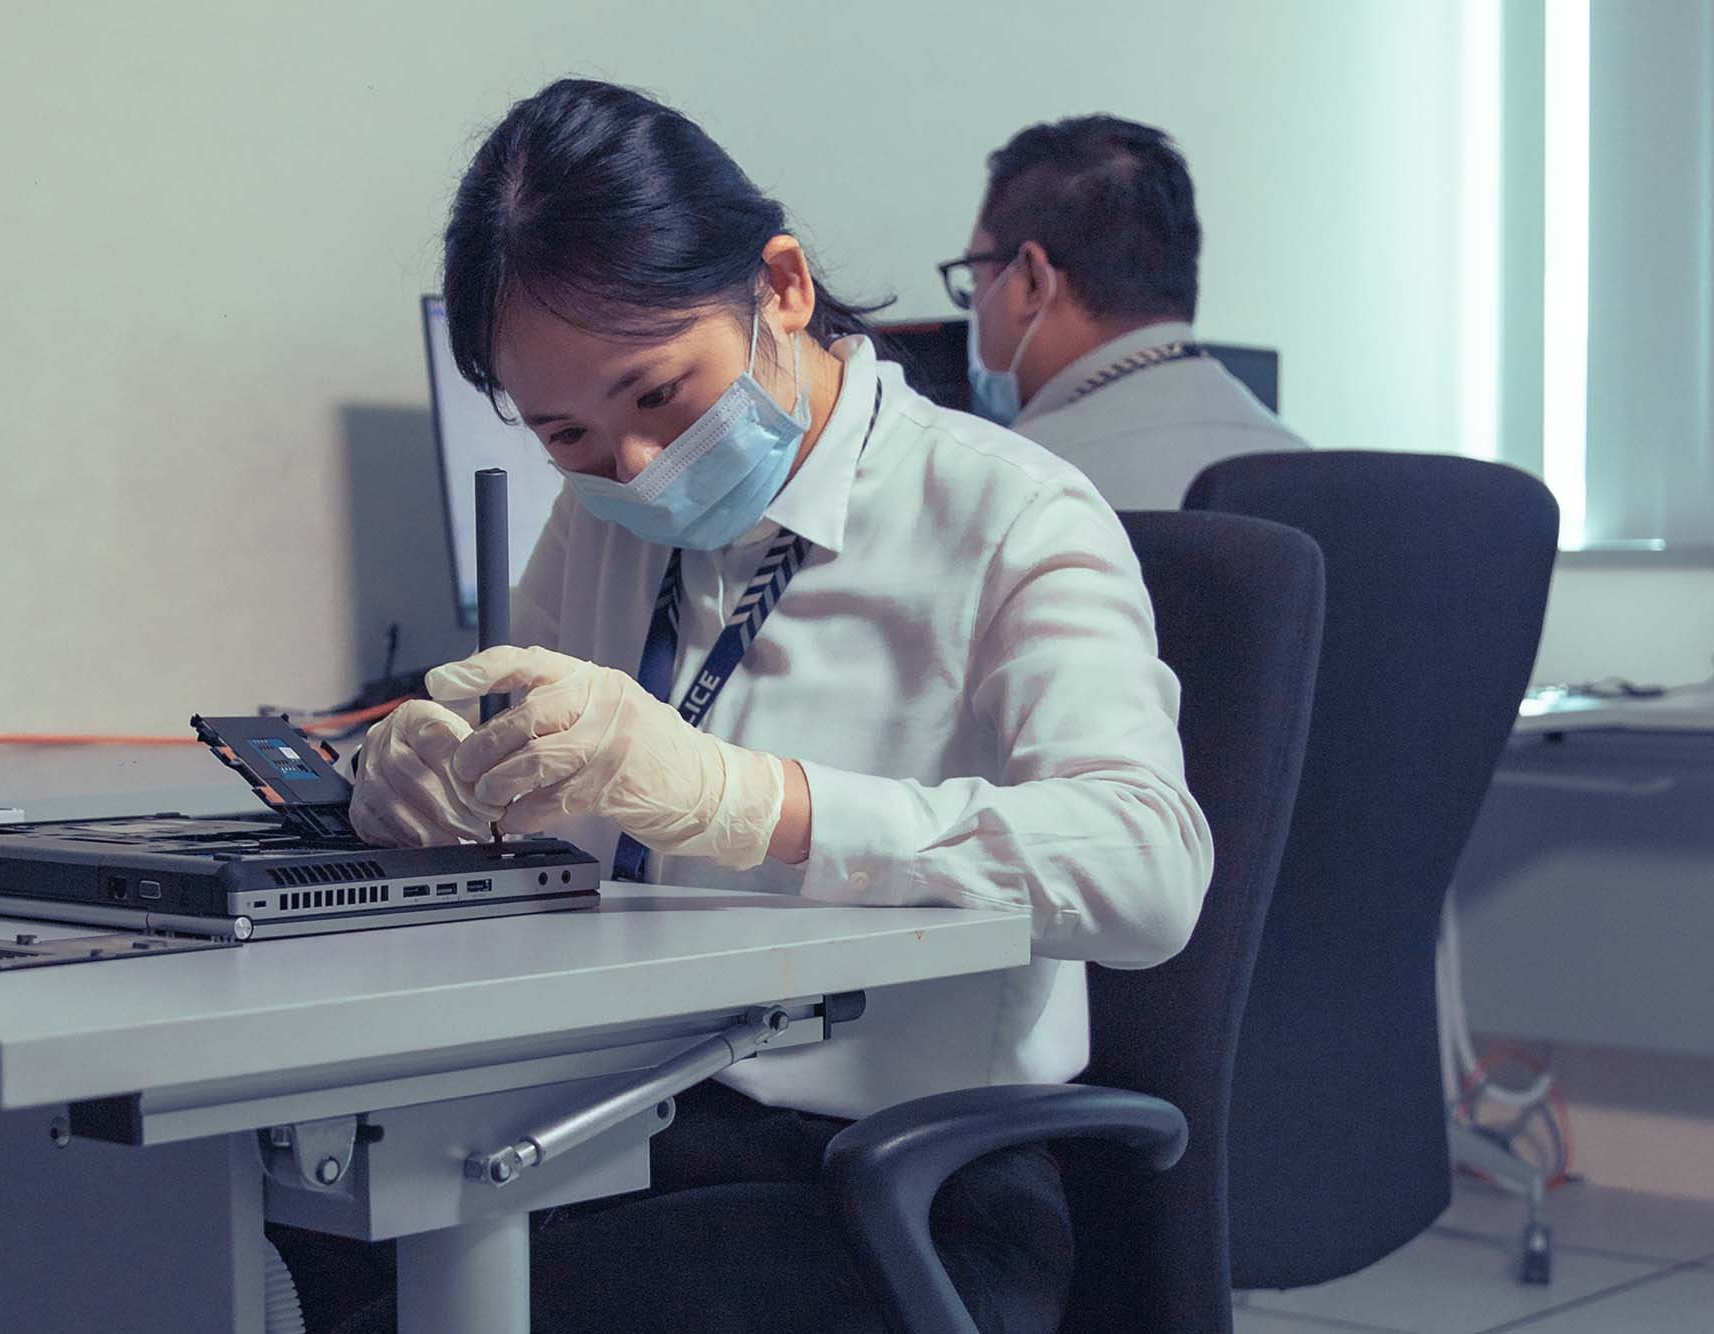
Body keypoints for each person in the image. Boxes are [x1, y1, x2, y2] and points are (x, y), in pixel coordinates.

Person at [274, 79, 1213, 1334]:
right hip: (599, 1126)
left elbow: (1146, 867)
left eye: (660, 396)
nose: (634, 468)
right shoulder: (591, 528)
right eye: (566, 433)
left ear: (778, 287)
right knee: (254, 1236)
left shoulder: (1007, 515)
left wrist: (752, 799)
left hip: (880, 1174)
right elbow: (535, 815)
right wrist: (434, 782)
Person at [943, 115, 1309, 509]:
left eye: (975, 277)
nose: (976, 301)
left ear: (1032, 280)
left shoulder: (1009, 485)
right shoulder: (1306, 464)